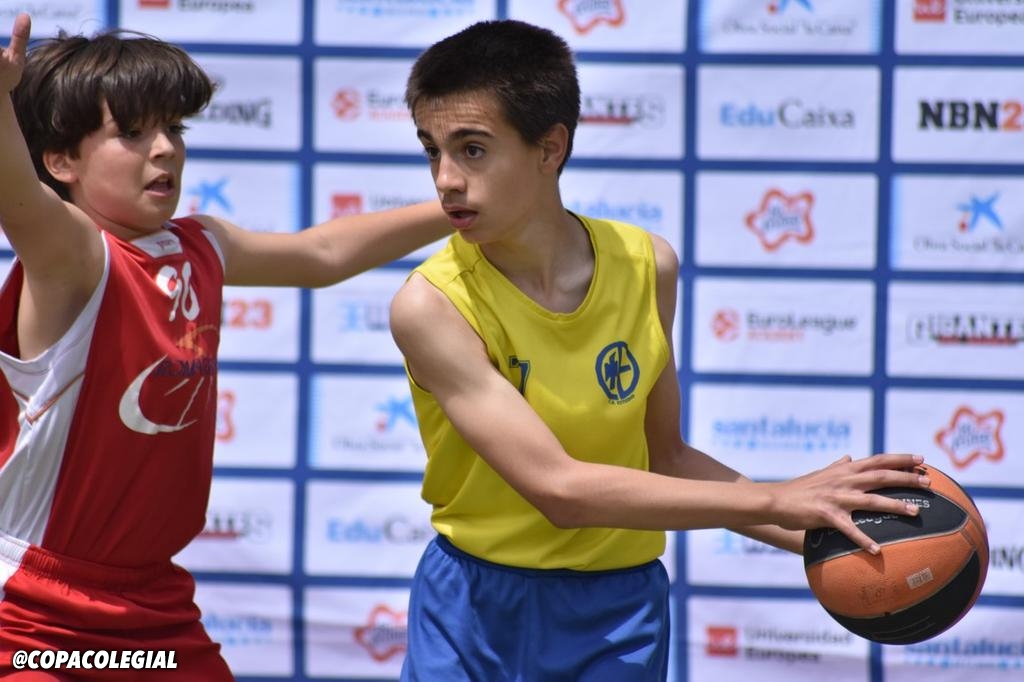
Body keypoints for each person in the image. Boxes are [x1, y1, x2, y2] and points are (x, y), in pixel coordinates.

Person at [390, 19, 931, 681]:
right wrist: (777, 498)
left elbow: (665, 456)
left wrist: (837, 536)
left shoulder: (647, 266)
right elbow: (560, 490)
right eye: (432, 151)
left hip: (617, 613)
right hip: (474, 613)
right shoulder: (430, 304)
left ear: (550, 148)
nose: (445, 179)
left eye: (472, 150)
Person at [0, 14, 449, 679]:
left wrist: (456, 207)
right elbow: (18, 195)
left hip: (153, 598)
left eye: (173, 129)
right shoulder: (72, 254)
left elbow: (321, 254)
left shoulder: (201, 243)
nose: (165, 149)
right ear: (61, 160)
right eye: (132, 133)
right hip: (38, 606)